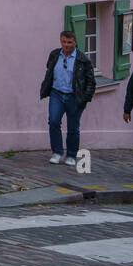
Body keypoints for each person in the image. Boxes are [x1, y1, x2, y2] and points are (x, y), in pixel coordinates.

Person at [38, 30, 96, 166]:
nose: (66, 45)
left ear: (75, 42)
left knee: (73, 127)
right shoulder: (54, 55)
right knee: (53, 121)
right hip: (56, 93)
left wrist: (85, 98)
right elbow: (49, 71)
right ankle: (57, 152)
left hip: (74, 97)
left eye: (69, 42)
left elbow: (91, 82)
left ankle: (71, 155)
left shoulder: (83, 59)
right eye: (64, 42)